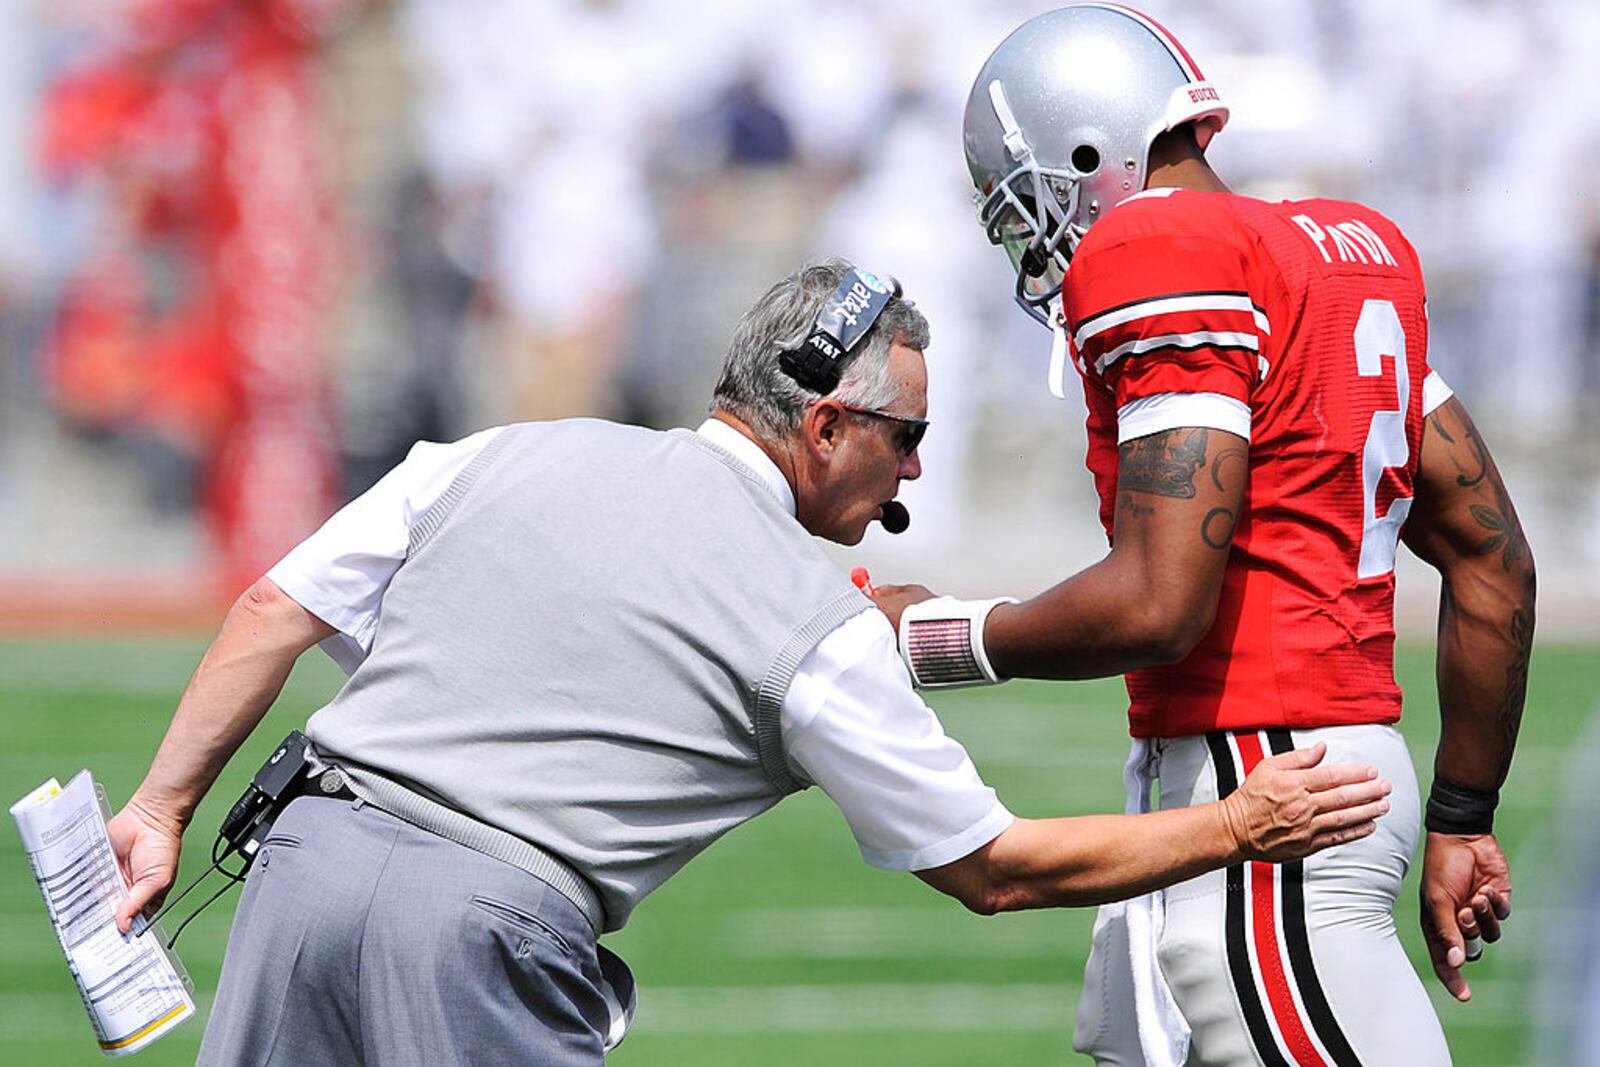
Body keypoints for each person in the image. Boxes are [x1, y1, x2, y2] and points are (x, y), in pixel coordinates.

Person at [105, 259, 1390, 1066]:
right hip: (485, 930)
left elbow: (273, 604)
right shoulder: (811, 618)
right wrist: (1241, 819)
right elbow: (995, 871)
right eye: (906, 436)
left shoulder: (498, 448)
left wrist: (162, 805)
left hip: (300, 867)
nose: (917, 470)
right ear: (826, 426)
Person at [867, 7, 1537, 1066]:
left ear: (1088, 150)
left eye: (1031, 195)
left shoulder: (1159, 243)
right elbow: (1494, 560)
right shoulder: (1341, 251)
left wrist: (931, 636)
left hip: (1268, 790)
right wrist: (1460, 813)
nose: (1038, 235)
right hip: (1327, 776)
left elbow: (1158, 602)